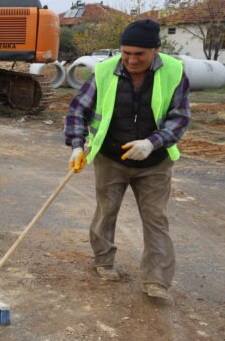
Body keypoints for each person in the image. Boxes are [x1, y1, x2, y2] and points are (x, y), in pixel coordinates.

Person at [65, 19, 190, 302]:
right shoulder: (105, 71)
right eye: (126, 53)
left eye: (139, 54)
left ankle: (156, 280)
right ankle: (103, 260)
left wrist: (151, 143)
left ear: (156, 50)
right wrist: (76, 145)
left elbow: (180, 118)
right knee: (106, 210)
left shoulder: (174, 72)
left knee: (156, 219)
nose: (131, 60)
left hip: (154, 162)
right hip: (111, 157)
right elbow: (77, 111)